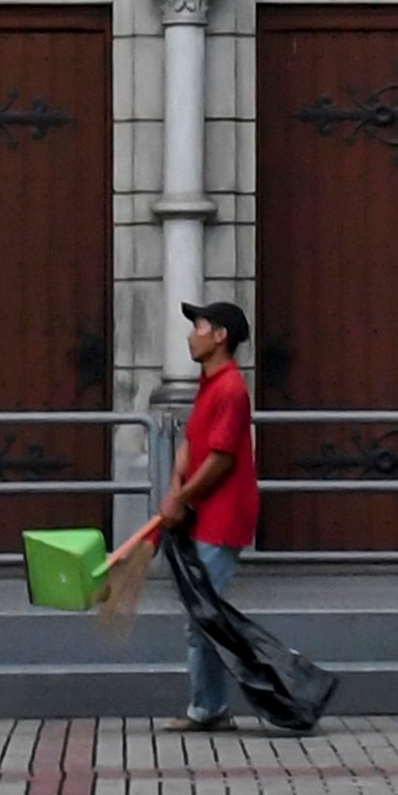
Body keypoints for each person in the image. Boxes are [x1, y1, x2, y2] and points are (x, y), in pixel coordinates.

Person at [162, 299, 262, 729]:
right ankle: (211, 706)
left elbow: (221, 459)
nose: (190, 336)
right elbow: (190, 444)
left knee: (202, 617)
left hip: (223, 516)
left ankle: (209, 708)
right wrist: (174, 488)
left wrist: (182, 499)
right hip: (202, 513)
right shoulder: (210, 384)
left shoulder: (231, 389)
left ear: (220, 336)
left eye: (198, 327)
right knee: (204, 615)